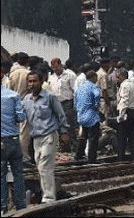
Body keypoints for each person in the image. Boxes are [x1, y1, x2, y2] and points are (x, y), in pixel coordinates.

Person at [22, 71, 69, 203]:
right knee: (41, 167)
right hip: (36, 138)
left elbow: (60, 114)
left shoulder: (50, 97)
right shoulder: (27, 100)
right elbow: (21, 116)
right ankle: (53, 192)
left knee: (44, 166)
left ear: (41, 82)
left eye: (34, 81)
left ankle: (48, 198)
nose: (32, 84)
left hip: (49, 136)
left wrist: (64, 132)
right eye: (29, 82)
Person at [2, 56, 27, 214]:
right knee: (18, 173)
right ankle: (20, 205)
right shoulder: (13, 96)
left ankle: (2, 206)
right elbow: (21, 117)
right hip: (13, 140)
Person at [48, 58, 77, 152]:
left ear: (61, 65)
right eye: (53, 68)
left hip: (67, 102)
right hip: (55, 103)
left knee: (69, 124)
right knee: (58, 124)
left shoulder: (70, 75)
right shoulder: (51, 77)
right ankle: (63, 145)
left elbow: (74, 90)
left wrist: (74, 104)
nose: (55, 69)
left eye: (56, 67)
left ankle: (74, 145)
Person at [74, 70, 101, 163]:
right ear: (94, 77)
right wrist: (97, 105)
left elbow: (75, 101)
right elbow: (97, 95)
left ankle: (78, 155)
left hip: (81, 115)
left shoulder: (80, 87)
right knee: (93, 138)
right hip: (92, 116)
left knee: (83, 137)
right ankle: (92, 159)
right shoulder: (93, 86)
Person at [114, 68, 134, 160]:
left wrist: (121, 115)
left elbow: (124, 101)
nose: (116, 79)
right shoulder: (133, 84)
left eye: (118, 77)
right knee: (133, 136)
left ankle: (121, 158)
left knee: (122, 137)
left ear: (122, 76)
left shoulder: (124, 85)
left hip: (127, 112)